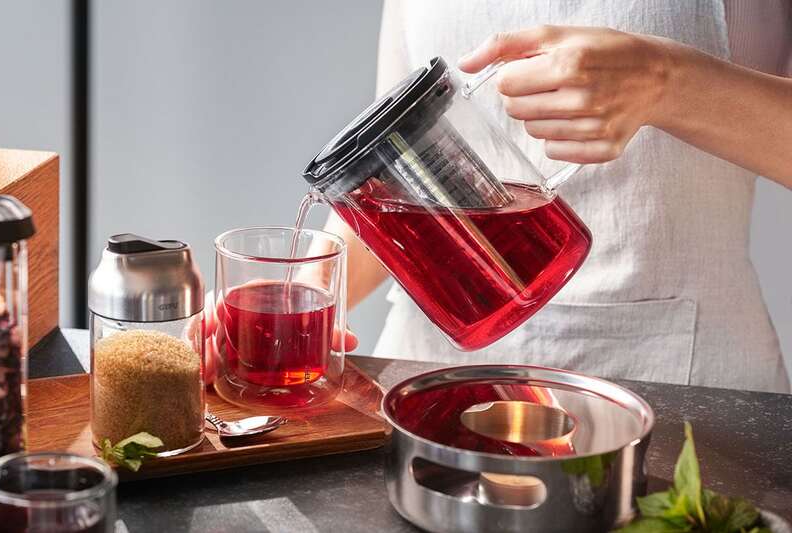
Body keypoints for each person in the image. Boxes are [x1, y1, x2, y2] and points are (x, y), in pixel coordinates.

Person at [320, 0, 792, 393]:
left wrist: (666, 80)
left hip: (683, 389)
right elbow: (392, 171)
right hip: (427, 377)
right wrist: (316, 285)